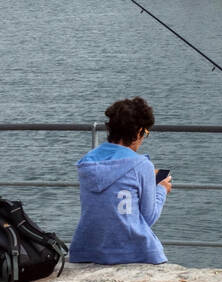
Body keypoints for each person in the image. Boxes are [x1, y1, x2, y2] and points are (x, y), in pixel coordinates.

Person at [70, 97, 172, 265]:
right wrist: (160, 189)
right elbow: (148, 218)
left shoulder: (87, 163)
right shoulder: (142, 166)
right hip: (134, 253)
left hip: (88, 250)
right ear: (139, 132)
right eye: (145, 133)